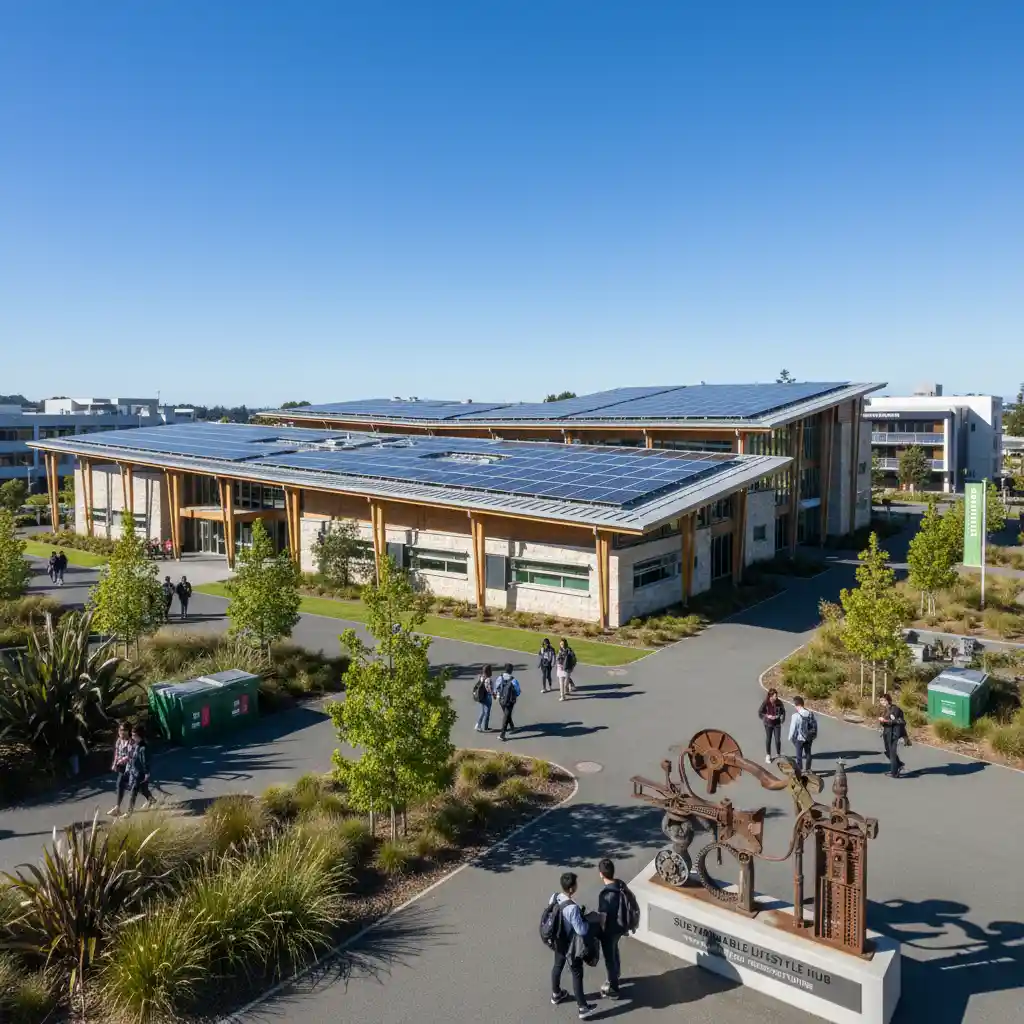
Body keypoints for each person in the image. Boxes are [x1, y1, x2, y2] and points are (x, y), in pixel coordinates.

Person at [548, 872, 597, 1018]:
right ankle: (582, 1007)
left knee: (557, 966)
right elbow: (581, 930)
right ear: (571, 889)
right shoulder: (572, 908)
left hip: (557, 941)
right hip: (570, 945)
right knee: (577, 973)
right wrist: (588, 922)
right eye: (576, 883)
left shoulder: (554, 897)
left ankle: (556, 994)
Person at [596, 858, 634, 1000]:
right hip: (621, 926)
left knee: (609, 959)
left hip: (610, 931)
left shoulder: (606, 895)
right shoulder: (620, 885)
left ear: (601, 874)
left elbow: (603, 918)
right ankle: (616, 974)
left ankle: (613, 987)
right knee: (614, 949)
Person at [107, 721, 134, 817]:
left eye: (124, 730)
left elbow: (129, 756)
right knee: (120, 785)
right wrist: (114, 764)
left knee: (133, 786)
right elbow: (117, 753)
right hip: (122, 766)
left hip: (131, 766)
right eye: (120, 730)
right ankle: (117, 808)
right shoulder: (119, 741)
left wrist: (120, 761)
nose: (121, 732)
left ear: (128, 731)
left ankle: (125, 810)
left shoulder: (131, 741)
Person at [878, 693, 907, 778]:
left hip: (894, 732)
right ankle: (898, 764)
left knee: (892, 752)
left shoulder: (895, 709)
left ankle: (894, 772)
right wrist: (882, 721)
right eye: (880, 700)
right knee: (888, 751)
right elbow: (885, 721)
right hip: (887, 732)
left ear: (888, 700)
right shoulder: (885, 709)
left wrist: (885, 721)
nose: (882, 702)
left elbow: (899, 721)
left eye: (883, 700)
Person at [126, 723, 153, 813]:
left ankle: (129, 812)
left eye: (134, 735)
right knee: (143, 789)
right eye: (132, 735)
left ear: (139, 736)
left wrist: (147, 773)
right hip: (134, 771)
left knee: (133, 791)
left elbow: (145, 762)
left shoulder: (143, 748)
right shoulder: (136, 744)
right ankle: (151, 800)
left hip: (140, 773)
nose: (132, 737)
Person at [788, 696, 817, 774]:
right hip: (809, 737)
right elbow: (814, 724)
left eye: (795, 705)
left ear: (798, 705)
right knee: (808, 754)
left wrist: (790, 737)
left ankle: (799, 769)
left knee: (799, 755)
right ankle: (808, 769)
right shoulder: (810, 713)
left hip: (799, 738)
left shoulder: (795, 716)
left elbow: (793, 728)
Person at [493, 663, 521, 741]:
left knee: (506, 713)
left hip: (501, 699)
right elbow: (518, 691)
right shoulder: (513, 680)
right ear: (511, 670)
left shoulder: (499, 678)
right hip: (510, 700)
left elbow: (496, 688)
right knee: (506, 715)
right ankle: (502, 735)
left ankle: (512, 727)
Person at [758, 688, 786, 763]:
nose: (776, 697)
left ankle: (778, 753)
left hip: (777, 723)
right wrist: (767, 716)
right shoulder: (766, 703)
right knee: (769, 739)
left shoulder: (779, 702)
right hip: (768, 724)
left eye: (776, 696)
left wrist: (781, 718)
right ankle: (768, 755)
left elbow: (783, 711)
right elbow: (760, 712)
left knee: (777, 740)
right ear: (771, 696)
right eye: (775, 696)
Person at [473, 664, 494, 732]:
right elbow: (489, 689)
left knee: (482, 712)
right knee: (487, 712)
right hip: (487, 697)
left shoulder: (481, 677)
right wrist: (494, 694)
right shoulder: (488, 679)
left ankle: (478, 725)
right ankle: (485, 726)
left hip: (481, 696)